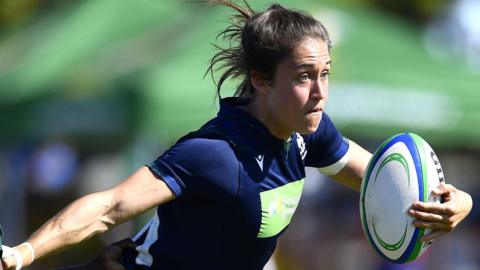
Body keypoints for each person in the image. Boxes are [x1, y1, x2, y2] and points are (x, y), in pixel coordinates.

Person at [1, 1, 473, 269]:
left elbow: (382, 181)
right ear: (262, 80)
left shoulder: (309, 133)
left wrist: (457, 202)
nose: (320, 93)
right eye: (305, 76)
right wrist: (23, 253)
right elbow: (109, 208)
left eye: (326, 74)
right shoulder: (214, 152)